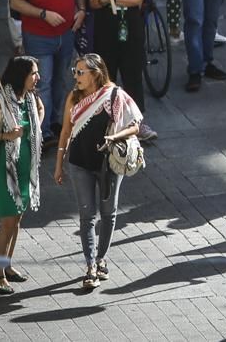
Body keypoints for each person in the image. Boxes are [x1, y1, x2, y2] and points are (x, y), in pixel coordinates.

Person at [52, 54, 143, 290]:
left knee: (108, 213)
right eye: (75, 71)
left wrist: (115, 136)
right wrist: (59, 163)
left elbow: (135, 125)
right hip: (79, 163)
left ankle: (102, 259)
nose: (76, 76)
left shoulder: (114, 95)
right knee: (87, 216)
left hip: (108, 165)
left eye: (81, 72)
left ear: (96, 73)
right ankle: (90, 265)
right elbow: (65, 132)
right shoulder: (73, 97)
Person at [10, 0, 84, 146]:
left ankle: (56, 123)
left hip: (66, 34)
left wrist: (81, 9)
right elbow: (17, 2)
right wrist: (43, 14)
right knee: (43, 83)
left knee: (62, 81)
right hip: (39, 37)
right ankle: (41, 132)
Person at [87, 0, 147, 114]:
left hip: (132, 28)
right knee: (106, 76)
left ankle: (136, 120)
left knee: (134, 76)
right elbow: (93, 1)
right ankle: (106, 120)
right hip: (106, 30)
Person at [0, 56, 43, 296]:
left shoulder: (29, 98)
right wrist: (7, 136)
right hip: (5, 170)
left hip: (25, 168)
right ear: (20, 75)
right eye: (33, 73)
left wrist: (36, 121)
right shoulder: (1, 99)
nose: (38, 77)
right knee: (7, 222)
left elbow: (40, 113)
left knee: (17, 221)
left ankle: (6, 264)